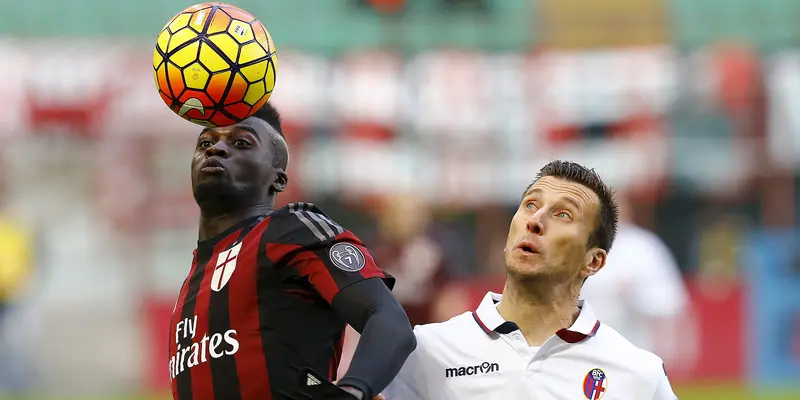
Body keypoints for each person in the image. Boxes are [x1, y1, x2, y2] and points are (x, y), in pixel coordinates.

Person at [169, 102, 416, 400]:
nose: (216, 149)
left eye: (241, 142)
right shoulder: (192, 279)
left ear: (279, 178)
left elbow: (387, 318)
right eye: (206, 142)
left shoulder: (291, 229)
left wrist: (353, 391)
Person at [381, 160, 678, 400]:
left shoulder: (639, 376)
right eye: (530, 205)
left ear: (593, 261)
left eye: (563, 214)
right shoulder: (424, 353)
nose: (535, 221)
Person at [579, 194, 690, 363]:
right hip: (584, 346)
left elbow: (670, 299)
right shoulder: (577, 245)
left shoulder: (644, 247)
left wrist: (636, 295)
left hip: (634, 346)